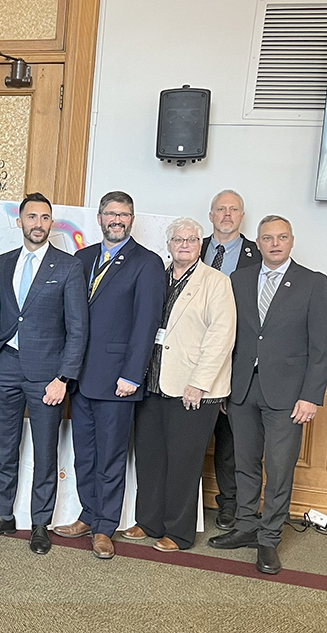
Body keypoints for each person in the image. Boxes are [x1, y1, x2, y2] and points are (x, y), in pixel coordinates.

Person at [209, 216, 327, 575]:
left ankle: (268, 538)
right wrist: (221, 386)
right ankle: (246, 526)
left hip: (289, 396)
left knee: (279, 469)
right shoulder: (239, 280)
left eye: (281, 237)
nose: (275, 243)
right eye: (267, 238)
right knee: (243, 463)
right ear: (258, 243)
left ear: (292, 241)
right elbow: (227, 337)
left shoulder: (313, 283)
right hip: (242, 389)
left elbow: (322, 347)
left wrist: (311, 396)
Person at [0, 193, 87, 555]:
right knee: (4, 447)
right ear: (20, 222)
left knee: (45, 450)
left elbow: (78, 328)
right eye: (31, 217)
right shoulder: (3, 263)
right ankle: (3, 514)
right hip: (5, 368)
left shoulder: (67, 266)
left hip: (47, 377)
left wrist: (63, 378)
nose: (38, 223)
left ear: (51, 224)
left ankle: (40, 523)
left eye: (45, 217)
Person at [53, 191, 164, 560]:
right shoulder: (82, 258)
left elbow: (146, 324)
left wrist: (132, 374)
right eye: (111, 214)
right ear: (99, 218)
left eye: (125, 214)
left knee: (111, 458)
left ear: (132, 219)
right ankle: (87, 514)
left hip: (118, 379)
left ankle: (104, 527)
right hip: (79, 377)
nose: (117, 219)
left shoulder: (146, 263)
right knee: (84, 455)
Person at [121, 217, 235, 552]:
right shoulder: (158, 277)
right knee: (151, 457)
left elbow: (221, 337)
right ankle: (149, 521)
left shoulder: (216, 282)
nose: (184, 244)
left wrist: (198, 383)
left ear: (201, 245)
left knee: (184, 461)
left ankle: (179, 532)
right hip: (154, 383)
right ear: (168, 244)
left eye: (191, 239)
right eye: (177, 239)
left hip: (193, 389)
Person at [200, 190, 259, 530]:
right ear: (211, 215)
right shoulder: (193, 245)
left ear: (241, 216)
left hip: (237, 362)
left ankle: (229, 505)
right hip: (193, 359)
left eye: (233, 209)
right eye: (220, 209)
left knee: (229, 441)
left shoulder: (256, 255)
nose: (226, 214)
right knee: (188, 438)